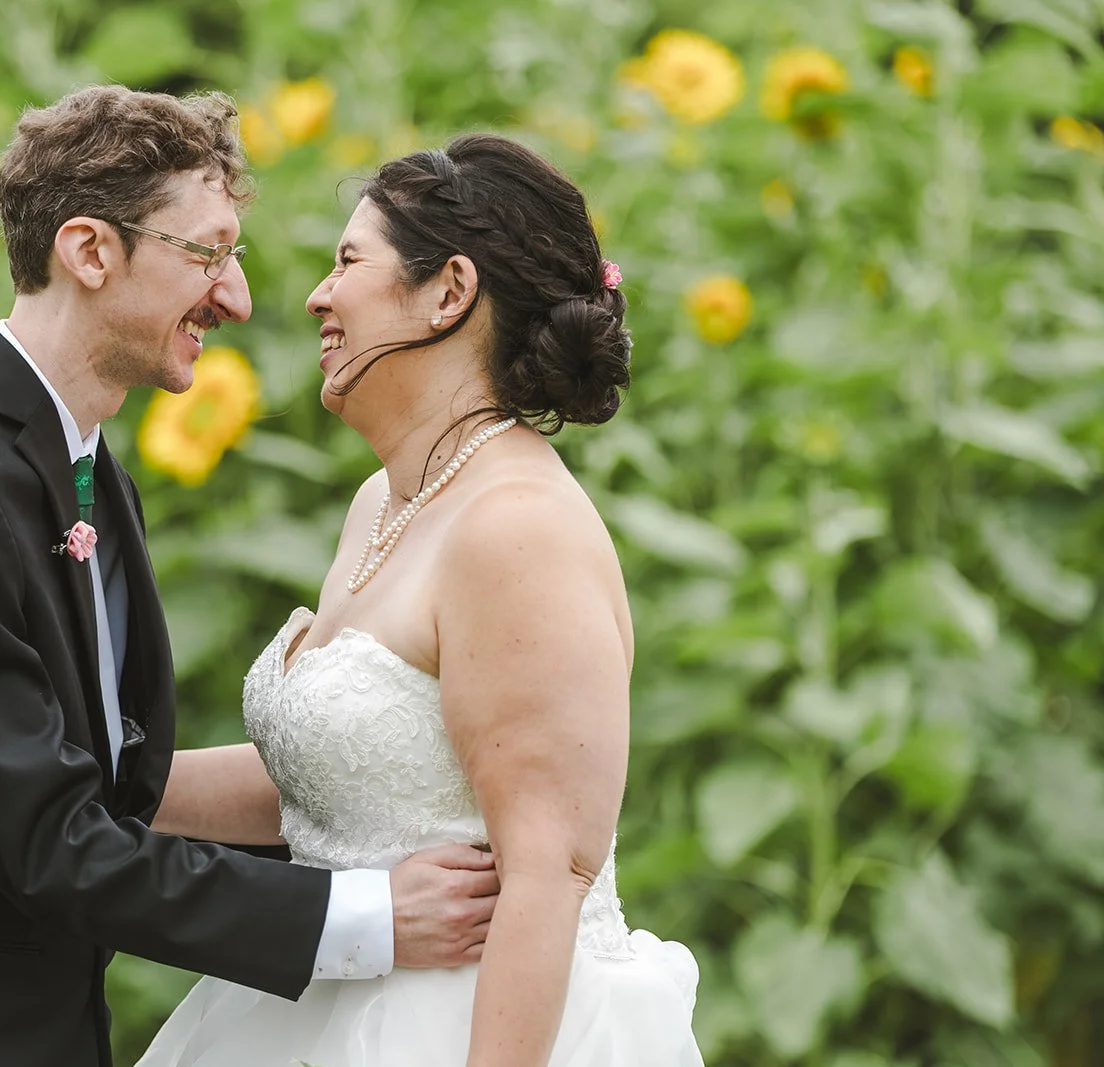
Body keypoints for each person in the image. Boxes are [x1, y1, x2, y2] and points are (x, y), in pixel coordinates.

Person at [0, 86, 502, 1067]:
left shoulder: (88, 470)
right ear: (88, 251)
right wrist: (363, 916)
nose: (237, 297)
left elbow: (121, 783)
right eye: (206, 254)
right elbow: (47, 838)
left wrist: (390, 806)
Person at [135, 134, 703, 1066]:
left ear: (450, 291)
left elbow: (546, 874)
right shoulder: (385, 502)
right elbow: (340, 780)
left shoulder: (515, 526)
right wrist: (84, 780)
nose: (318, 295)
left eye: (349, 262)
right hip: (327, 1001)